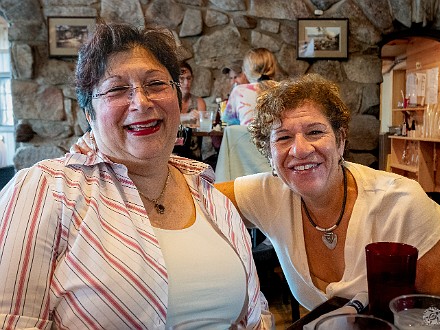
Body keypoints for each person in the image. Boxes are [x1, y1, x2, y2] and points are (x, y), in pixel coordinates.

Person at [0, 22, 272, 329]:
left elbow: (254, 315)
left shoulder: (210, 195)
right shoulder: (46, 189)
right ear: (89, 113)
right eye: (117, 89)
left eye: (156, 84)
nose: (141, 102)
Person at [216, 74, 440, 312]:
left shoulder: (401, 203)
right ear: (269, 155)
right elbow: (195, 196)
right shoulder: (268, 194)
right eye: (283, 137)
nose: (300, 149)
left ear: (340, 141)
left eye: (315, 132)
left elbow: (439, 312)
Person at [221, 48, 277, 126]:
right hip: (278, 137)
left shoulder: (239, 91)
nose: (233, 81)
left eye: (237, 76)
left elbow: (228, 122)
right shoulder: (285, 89)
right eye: (231, 78)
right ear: (273, 67)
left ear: (246, 71)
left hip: (248, 137)